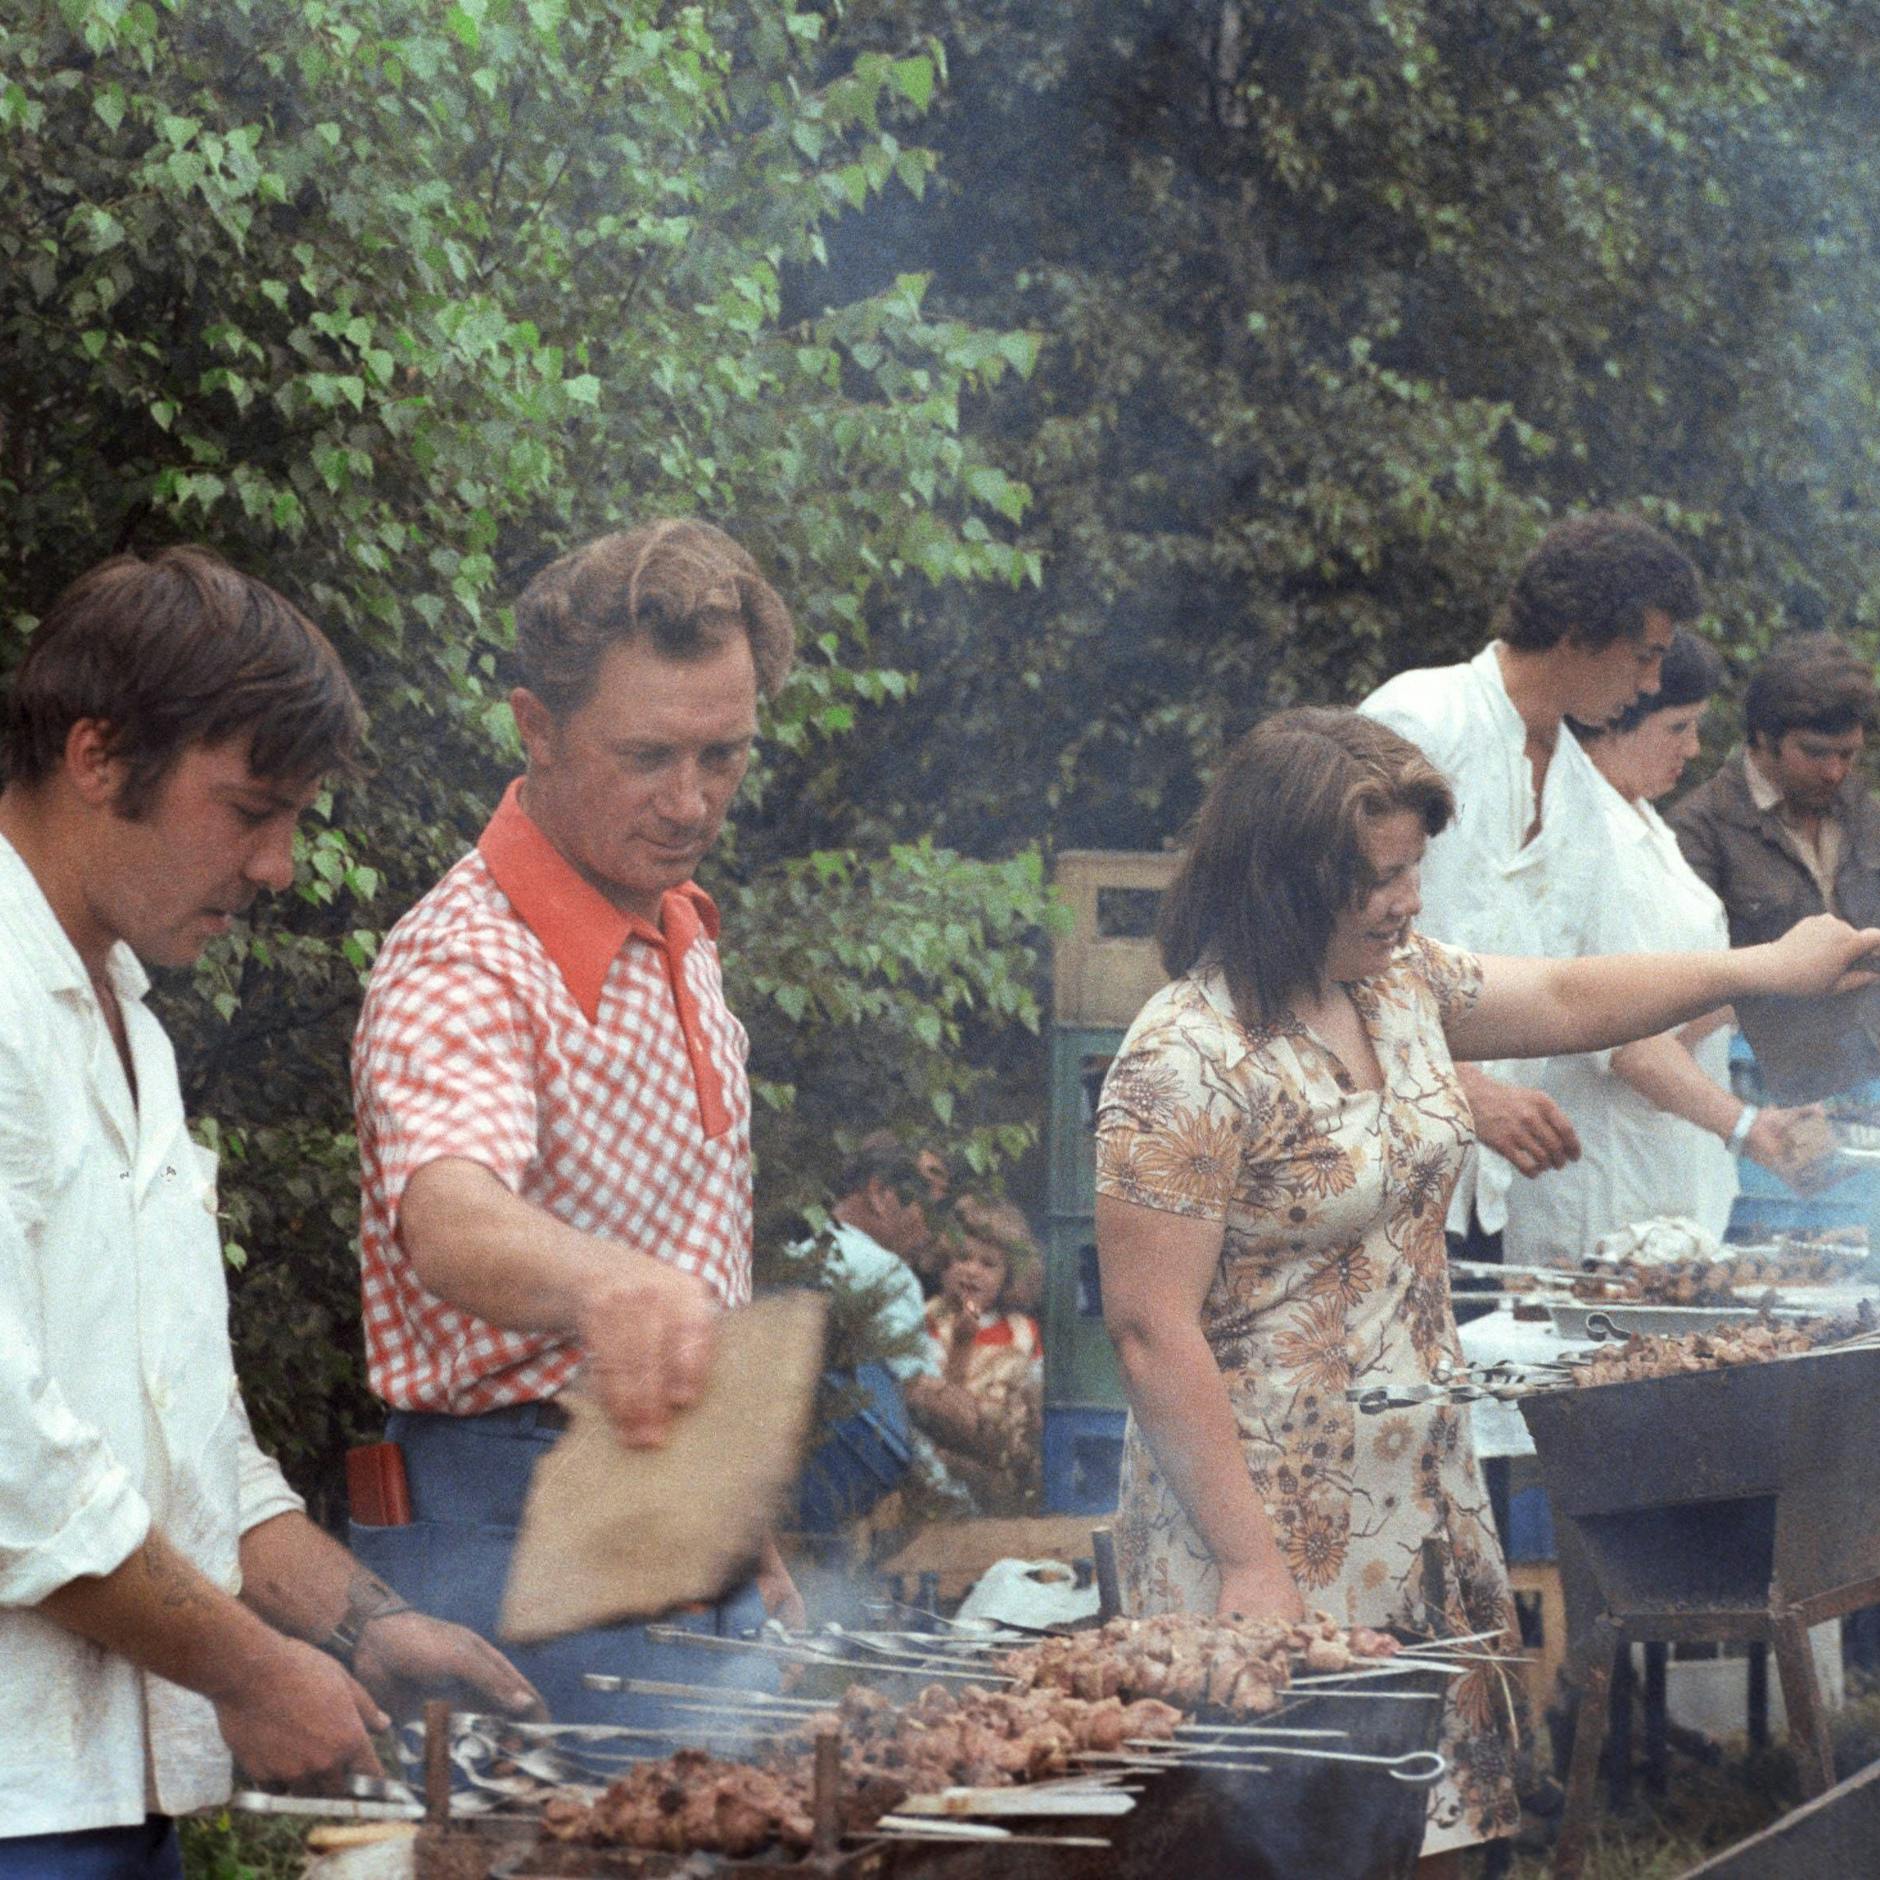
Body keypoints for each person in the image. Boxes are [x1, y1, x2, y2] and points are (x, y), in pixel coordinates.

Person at [1093, 708, 1880, 1866]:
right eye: (1370, 878)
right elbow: (1149, 1325)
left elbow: (1565, 996)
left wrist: (1764, 967)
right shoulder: (1183, 1054)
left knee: (1449, 1838)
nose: (1402, 899)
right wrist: (1250, 1560)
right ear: (1273, 876)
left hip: (1417, 1489)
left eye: (1410, 868)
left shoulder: (1395, 985)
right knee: (1291, 1847)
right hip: (1257, 1515)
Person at [0, 547, 540, 1875]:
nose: (282, 865)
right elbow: (12, 1461)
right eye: (248, 810)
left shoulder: (130, 1025)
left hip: (111, 1806)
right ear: (95, 753)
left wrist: (360, 1627)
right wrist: (249, 1669)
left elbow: (192, 1446)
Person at [350, 522, 803, 1724]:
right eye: (647, 754)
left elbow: (692, 1241)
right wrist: (613, 1287)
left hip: (662, 1491)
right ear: (534, 726)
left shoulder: (677, 923)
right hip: (505, 1517)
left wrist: (725, 1501)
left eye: (725, 754)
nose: (690, 799)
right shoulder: (464, 958)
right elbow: (447, 1216)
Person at [1360, 512, 1702, 1272]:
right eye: (1644, 658)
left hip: (1480, 1198)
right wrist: (1461, 1088)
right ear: (1578, 634)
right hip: (1357, 1175)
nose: (1651, 685)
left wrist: (1749, 1116)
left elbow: (1596, 995)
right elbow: (1307, 949)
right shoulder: (1420, 719)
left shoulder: (1582, 792)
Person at [1504, 631, 1825, 1265]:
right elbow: (1625, 1041)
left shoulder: (1643, 822)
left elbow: (1678, 1015)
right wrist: (1745, 1126)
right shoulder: (1579, 834)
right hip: (1601, 1187)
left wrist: (1761, 991)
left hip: (1670, 1176)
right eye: (1677, 728)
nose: (1694, 749)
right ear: (1611, 724)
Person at [1671, 633, 1880, 1103]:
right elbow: (1681, 991)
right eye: (1815, 752)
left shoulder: (1860, 808)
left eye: (1848, 753)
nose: (1835, 772)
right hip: (1767, 1095)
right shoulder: (1699, 830)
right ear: (1764, 736)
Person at [921, 1195, 1044, 1514]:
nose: (972, 1271)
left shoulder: (1023, 1331)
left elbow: (1033, 1408)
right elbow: (930, 1405)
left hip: (1001, 1469)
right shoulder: (930, 1320)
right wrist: (961, 1345)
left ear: (1010, 1275)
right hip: (940, 1461)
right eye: (963, 1257)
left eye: (988, 1263)